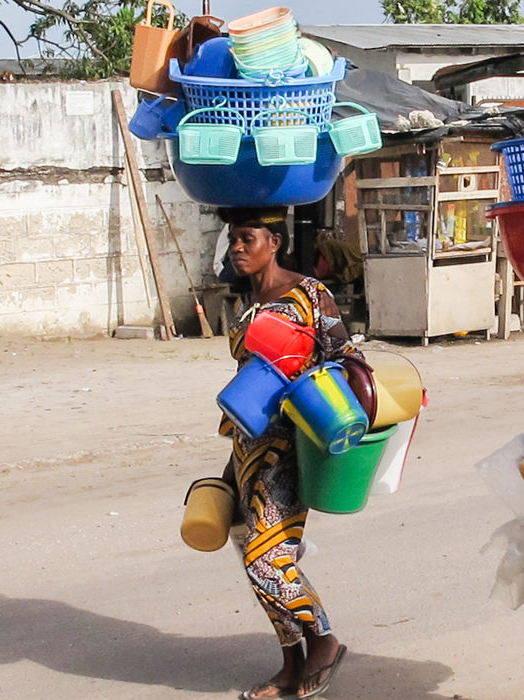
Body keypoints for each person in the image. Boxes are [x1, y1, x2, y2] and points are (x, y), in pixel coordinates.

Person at [215, 207, 354, 700]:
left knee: (265, 557)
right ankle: (290, 663)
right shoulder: (244, 302)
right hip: (246, 445)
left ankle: (324, 639)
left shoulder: (310, 295)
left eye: (246, 238)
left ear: (274, 242)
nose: (236, 247)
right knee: (249, 552)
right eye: (233, 239)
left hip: (294, 445)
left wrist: (313, 391)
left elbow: (346, 359)